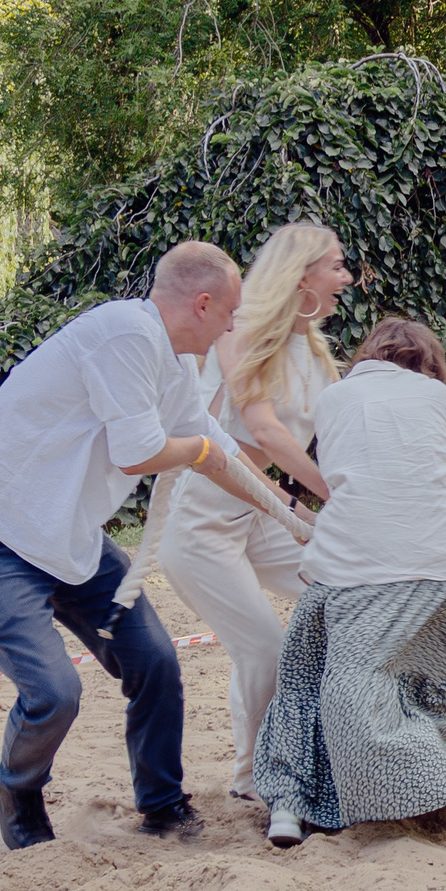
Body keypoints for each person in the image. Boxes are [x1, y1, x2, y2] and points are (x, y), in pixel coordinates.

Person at [0, 242, 274, 849]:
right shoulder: (125, 334)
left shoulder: (173, 361)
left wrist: (290, 509)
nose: (233, 325)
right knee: (55, 693)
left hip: (65, 536)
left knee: (156, 663)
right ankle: (17, 788)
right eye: (231, 312)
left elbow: (212, 441)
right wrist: (199, 454)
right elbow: (142, 452)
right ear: (202, 302)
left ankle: (163, 806)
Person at [254, 319, 446, 847]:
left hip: (353, 563)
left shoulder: (334, 398)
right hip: (440, 562)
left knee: (311, 672)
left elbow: (348, 474)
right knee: (440, 666)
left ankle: (288, 802)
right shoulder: (440, 399)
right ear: (431, 363)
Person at [154, 222, 351, 798]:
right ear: (302, 273)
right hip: (202, 521)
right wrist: (333, 499)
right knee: (263, 648)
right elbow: (263, 429)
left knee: (346, 592)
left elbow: (330, 438)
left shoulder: (315, 348)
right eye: (336, 265)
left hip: (261, 512)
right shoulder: (237, 335)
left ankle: (334, 750)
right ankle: (254, 778)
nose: (347, 277)